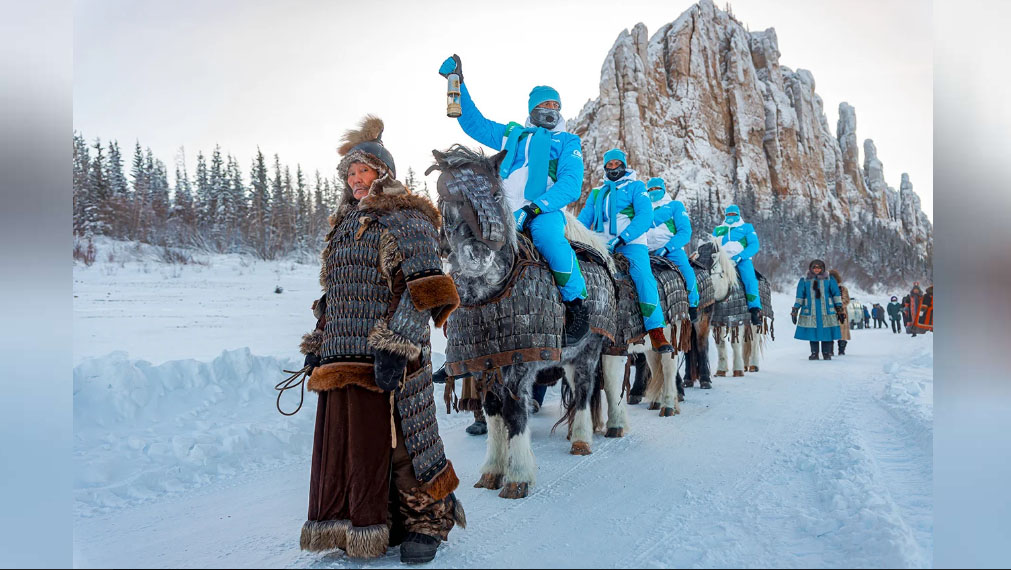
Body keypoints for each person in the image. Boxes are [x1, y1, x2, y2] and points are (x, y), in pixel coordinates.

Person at [298, 116, 465, 564]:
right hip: (345, 356)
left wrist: (395, 347)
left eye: (364, 171)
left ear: (383, 173)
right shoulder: (343, 224)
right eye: (350, 174)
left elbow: (426, 290)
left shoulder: (407, 216)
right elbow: (335, 293)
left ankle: (428, 522)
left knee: (405, 444)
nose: (355, 180)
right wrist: (319, 344)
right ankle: (376, 519)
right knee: (359, 445)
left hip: (395, 353)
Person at [439, 54, 589, 345]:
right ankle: (460, 325)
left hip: (542, 212)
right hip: (503, 211)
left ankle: (576, 306)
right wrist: (458, 84)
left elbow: (571, 184)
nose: (551, 110)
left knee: (548, 238)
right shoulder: (512, 135)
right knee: (467, 244)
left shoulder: (567, 142)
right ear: (533, 109)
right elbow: (476, 125)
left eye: (555, 106)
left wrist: (535, 209)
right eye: (545, 105)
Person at [577, 148, 674, 353]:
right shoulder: (597, 192)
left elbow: (645, 215)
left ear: (623, 165)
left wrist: (624, 238)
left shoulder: (636, 187)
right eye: (609, 165)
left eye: (616, 164)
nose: (613, 168)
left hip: (632, 244)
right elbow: (584, 219)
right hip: (600, 245)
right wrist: (575, 237)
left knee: (643, 277)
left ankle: (656, 330)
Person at [644, 177, 700, 321]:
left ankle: (692, 304)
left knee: (686, 270)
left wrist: (668, 248)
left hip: (670, 250)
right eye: (650, 189)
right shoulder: (642, 208)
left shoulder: (674, 206)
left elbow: (685, 232)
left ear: (663, 189)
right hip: (645, 249)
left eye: (656, 189)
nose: (653, 192)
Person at [712, 205, 763, 325]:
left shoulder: (746, 227)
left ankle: (754, 309)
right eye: (728, 215)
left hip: (741, 259)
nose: (730, 217)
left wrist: (740, 256)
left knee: (750, 279)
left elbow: (754, 245)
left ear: (738, 215)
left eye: (733, 214)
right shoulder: (718, 229)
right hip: (721, 259)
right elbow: (713, 246)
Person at [791, 259, 845, 360]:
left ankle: (826, 353)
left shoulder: (829, 279)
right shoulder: (805, 280)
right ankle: (814, 353)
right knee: (813, 332)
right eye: (814, 267)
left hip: (827, 311)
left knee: (827, 332)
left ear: (823, 268)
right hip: (811, 311)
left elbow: (836, 295)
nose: (816, 269)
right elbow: (799, 297)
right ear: (811, 268)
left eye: (819, 267)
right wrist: (795, 310)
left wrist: (839, 310)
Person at [828, 269, 850, 355]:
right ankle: (830, 351)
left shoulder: (843, 289)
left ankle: (841, 350)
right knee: (830, 332)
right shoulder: (826, 288)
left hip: (842, 313)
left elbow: (846, 300)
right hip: (829, 313)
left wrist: (838, 304)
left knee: (842, 332)